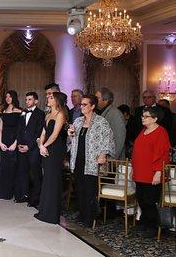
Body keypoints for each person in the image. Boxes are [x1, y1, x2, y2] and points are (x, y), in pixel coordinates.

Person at [68, 94, 114, 227]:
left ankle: (90, 217)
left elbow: (108, 139)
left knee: (89, 190)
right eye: (81, 104)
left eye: (84, 104)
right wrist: (70, 135)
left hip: (92, 161)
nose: (81, 107)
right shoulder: (78, 121)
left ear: (92, 106)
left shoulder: (101, 122)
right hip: (78, 159)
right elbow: (73, 140)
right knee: (80, 189)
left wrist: (103, 154)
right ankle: (82, 214)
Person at [131, 106, 171, 237]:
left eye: (146, 116)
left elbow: (163, 154)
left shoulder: (161, 132)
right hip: (140, 172)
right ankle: (144, 224)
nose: (143, 118)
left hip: (152, 173)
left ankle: (153, 228)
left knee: (149, 201)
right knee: (141, 199)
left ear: (155, 119)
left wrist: (158, 172)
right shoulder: (143, 130)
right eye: (142, 116)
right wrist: (134, 169)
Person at [34, 91, 68, 224]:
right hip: (47, 147)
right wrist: (41, 145)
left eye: (51, 97)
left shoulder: (61, 114)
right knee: (47, 179)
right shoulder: (48, 114)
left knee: (53, 180)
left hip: (56, 149)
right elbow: (43, 132)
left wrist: (44, 146)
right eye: (48, 97)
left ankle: (52, 214)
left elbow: (54, 135)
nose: (48, 98)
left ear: (57, 100)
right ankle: (44, 211)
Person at [15, 92, 45, 205]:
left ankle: (36, 198)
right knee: (23, 172)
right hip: (22, 147)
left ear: (36, 101)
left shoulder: (40, 114)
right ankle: (25, 195)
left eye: (30, 99)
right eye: (26, 99)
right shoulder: (23, 112)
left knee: (35, 174)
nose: (27, 101)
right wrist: (19, 144)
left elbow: (39, 132)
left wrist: (29, 146)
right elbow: (19, 129)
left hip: (33, 149)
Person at [0, 91, 23, 200]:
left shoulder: (20, 111)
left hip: (14, 141)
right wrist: (0, 142)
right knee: (4, 166)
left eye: (10, 96)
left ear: (14, 97)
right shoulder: (3, 111)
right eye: (6, 96)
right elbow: (0, 129)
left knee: (14, 167)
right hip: (4, 141)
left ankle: (14, 193)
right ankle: (2, 192)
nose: (7, 98)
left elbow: (20, 130)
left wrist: (15, 143)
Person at [95, 87, 126, 159]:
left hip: (111, 159)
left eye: (97, 98)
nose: (95, 100)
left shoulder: (115, 114)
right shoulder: (101, 112)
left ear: (105, 100)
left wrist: (112, 159)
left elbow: (119, 138)